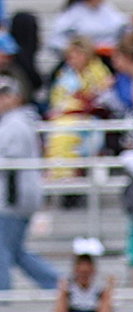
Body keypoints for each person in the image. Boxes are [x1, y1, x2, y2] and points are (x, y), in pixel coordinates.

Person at [0, 74, 59, 293]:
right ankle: (58, 285)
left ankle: (3, 302)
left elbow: (9, 160)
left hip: (12, 198)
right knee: (15, 252)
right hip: (15, 196)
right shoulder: (15, 121)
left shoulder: (15, 124)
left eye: (5, 95)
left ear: (15, 97)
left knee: (2, 252)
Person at [44, 35, 114, 183]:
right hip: (64, 116)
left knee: (68, 128)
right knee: (58, 128)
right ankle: (61, 174)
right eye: (70, 56)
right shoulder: (65, 73)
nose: (72, 59)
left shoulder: (99, 72)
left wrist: (82, 100)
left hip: (90, 118)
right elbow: (58, 98)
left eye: (76, 55)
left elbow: (100, 99)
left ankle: (69, 174)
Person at [49, 0, 129, 59]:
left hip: (108, 59)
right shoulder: (73, 12)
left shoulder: (108, 9)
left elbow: (124, 28)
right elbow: (55, 41)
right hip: (81, 61)